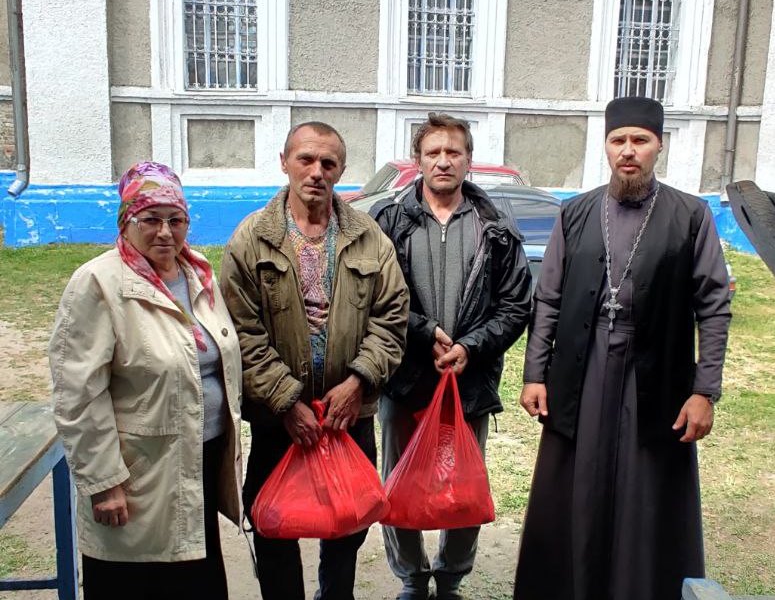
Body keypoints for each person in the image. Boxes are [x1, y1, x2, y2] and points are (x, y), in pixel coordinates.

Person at [514, 97, 732, 600]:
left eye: (640, 140)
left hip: (655, 374)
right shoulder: (576, 212)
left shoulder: (691, 215)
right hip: (583, 369)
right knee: (578, 482)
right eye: (618, 140)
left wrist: (704, 391)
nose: (628, 151)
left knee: (645, 488)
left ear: (659, 146)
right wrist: (534, 374)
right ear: (606, 146)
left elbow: (714, 307)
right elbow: (548, 298)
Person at [220, 121, 409, 600]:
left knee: (347, 524)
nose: (316, 172)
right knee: (273, 524)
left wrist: (358, 382)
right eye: (305, 159)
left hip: (349, 416)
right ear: (284, 162)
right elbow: (241, 331)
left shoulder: (369, 237)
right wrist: (287, 401)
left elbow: (392, 318)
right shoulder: (251, 239)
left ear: (341, 170)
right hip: (277, 419)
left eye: (328, 163)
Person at [49, 161, 243, 600]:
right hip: (136, 476)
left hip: (196, 461)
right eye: (150, 219)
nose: (165, 232)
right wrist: (104, 483)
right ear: (126, 221)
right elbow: (78, 393)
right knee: (136, 583)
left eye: (176, 220)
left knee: (195, 580)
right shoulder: (98, 283)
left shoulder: (197, 274)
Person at [370, 113, 533, 600]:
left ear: (468, 159)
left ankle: (451, 578)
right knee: (398, 480)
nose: (443, 161)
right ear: (418, 160)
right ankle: (411, 578)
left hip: (469, 379)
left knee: (463, 482)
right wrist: (424, 334)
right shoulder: (388, 221)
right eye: (433, 152)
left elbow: (516, 303)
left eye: (453, 152)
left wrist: (471, 346)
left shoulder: (495, 225)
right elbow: (372, 298)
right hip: (404, 377)